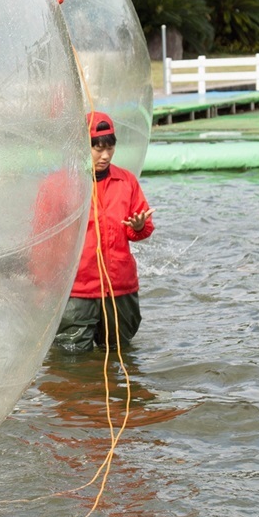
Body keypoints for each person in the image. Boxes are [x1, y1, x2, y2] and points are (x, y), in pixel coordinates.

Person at [54, 111, 155, 353]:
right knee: (72, 359)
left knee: (122, 352)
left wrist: (139, 227)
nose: (105, 155)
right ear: (81, 146)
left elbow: (141, 229)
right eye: (98, 148)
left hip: (120, 287)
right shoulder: (60, 185)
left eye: (110, 147)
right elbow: (42, 241)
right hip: (78, 290)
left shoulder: (126, 181)